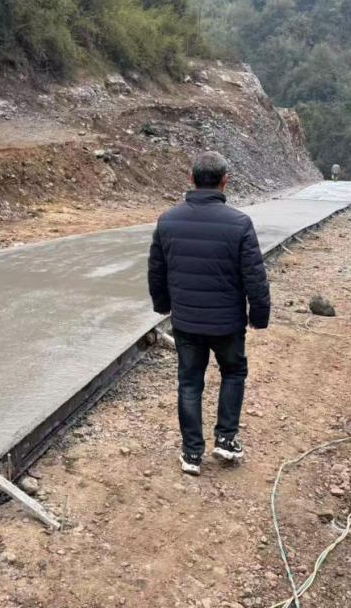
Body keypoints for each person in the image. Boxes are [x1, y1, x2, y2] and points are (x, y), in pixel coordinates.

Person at [147, 151, 271, 475]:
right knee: (233, 372)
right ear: (225, 181)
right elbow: (254, 276)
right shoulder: (240, 223)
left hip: (186, 322)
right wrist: (259, 315)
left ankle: (191, 454)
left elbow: (156, 271)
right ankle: (226, 439)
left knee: (189, 382)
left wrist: (162, 305)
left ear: (191, 178)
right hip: (227, 323)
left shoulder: (168, 220)